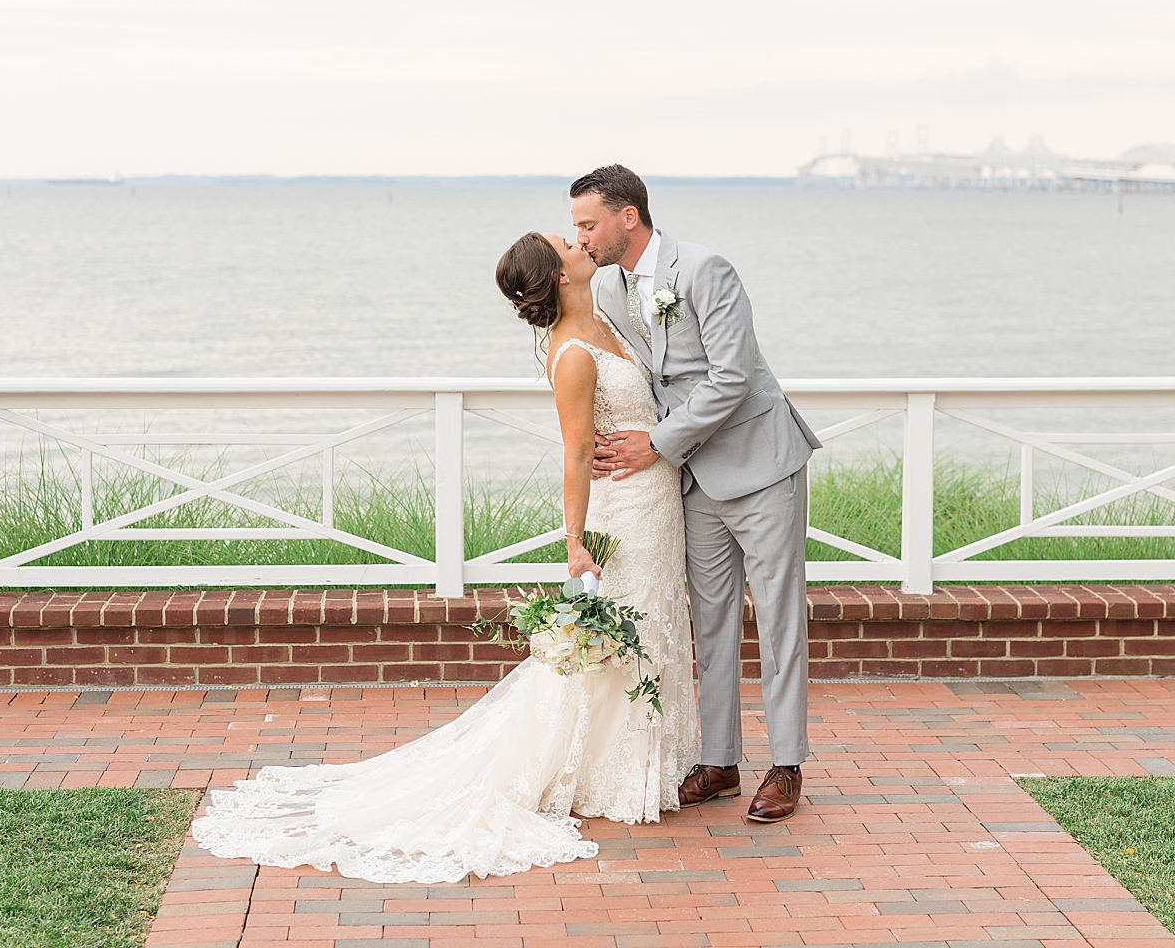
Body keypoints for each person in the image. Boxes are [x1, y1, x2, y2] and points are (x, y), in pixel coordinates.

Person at [189, 228, 699, 883]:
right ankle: (611, 775)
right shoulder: (572, 353)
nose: (578, 240)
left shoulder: (607, 315)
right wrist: (573, 541)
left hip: (656, 503)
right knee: (619, 638)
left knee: (653, 628)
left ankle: (653, 762)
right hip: (620, 510)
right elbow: (574, 452)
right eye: (565, 242)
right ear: (561, 273)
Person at [570, 164, 821, 824]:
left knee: (777, 619)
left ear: (629, 217)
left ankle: (788, 766)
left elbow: (733, 376)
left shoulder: (707, 270)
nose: (583, 237)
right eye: (576, 227)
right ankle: (719, 763)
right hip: (694, 479)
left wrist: (657, 443)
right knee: (707, 623)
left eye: (588, 223)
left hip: (760, 465)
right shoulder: (615, 287)